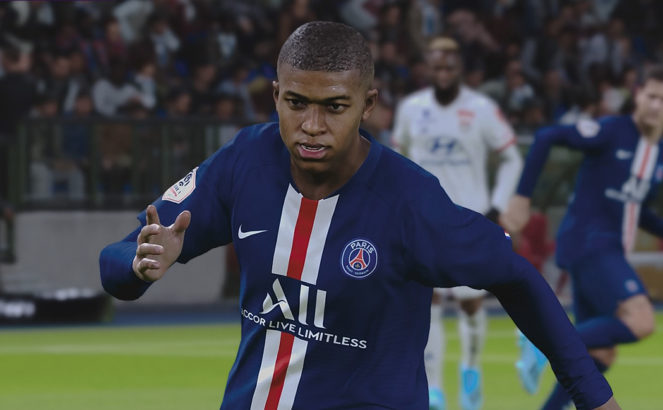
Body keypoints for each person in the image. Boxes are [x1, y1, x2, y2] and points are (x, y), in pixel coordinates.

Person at [100, 21, 620, 410]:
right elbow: (118, 260)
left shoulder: (410, 202)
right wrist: (138, 265)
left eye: (334, 106)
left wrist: (593, 396)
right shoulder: (244, 162)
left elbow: (516, 277)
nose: (312, 125)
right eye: (296, 103)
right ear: (276, 96)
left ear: (368, 105)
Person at [502, 66, 663, 410]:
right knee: (641, 321)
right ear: (637, 95)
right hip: (591, 243)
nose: (656, 106)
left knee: (599, 354)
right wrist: (521, 196)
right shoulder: (612, 131)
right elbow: (547, 136)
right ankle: (539, 339)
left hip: (603, 249)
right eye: (652, 96)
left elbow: (636, 208)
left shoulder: (658, 154)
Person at [391, 36, 523, 410]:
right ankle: (434, 389)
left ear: (459, 68)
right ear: (427, 69)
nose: (443, 72)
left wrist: (497, 207)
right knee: (428, 302)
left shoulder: (481, 109)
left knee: (470, 304)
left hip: (469, 220)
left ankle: (471, 370)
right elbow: (397, 158)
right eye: (437, 66)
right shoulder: (411, 109)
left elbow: (512, 158)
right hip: (424, 222)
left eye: (449, 66)